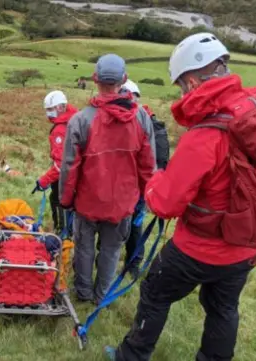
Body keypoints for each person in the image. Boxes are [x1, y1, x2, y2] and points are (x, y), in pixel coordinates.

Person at [107, 33, 256, 361]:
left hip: (200, 246)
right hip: (245, 244)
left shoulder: (206, 135)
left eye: (180, 85)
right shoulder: (254, 117)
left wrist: (155, 181)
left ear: (192, 81)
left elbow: (166, 204)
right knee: (223, 308)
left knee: (154, 292)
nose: (182, 92)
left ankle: (132, 356)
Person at [59, 54, 156, 304]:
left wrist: (66, 200)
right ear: (123, 79)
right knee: (111, 250)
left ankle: (83, 291)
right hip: (123, 203)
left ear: (95, 78)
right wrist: (146, 199)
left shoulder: (80, 120)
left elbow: (69, 167)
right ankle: (101, 296)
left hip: (87, 201)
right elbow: (148, 165)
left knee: (84, 247)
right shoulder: (142, 118)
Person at [118, 79, 170, 277]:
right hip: (124, 186)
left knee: (134, 227)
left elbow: (159, 162)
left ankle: (133, 264)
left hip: (140, 189)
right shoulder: (126, 120)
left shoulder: (152, 126)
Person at [34, 90, 78, 235]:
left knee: (58, 201)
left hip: (64, 179)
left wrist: (44, 181)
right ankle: (70, 232)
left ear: (60, 107)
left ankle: (62, 235)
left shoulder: (60, 129)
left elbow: (60, 165)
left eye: (49, 109)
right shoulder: (76, 119)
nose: (48, 113)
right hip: (78, 175)